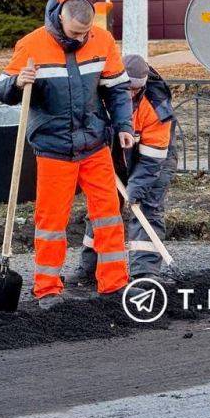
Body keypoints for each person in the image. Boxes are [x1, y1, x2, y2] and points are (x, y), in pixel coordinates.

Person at [0, 0, 136, 310]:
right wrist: (18, 82)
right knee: (51, 222)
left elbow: (116, 89)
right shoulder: (32, 45)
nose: (82, 38)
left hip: (94, 144)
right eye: (75, 33)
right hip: (54, 147)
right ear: (60, 18)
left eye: (86, 33)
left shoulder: (102, 40)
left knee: (108, 215)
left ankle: (114, 283)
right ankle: (47, 289)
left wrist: (125, 126)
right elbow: (1, 90)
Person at [69, 54, 178, 284]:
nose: (129, 95)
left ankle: (145, 272)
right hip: (112, 154)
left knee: (147, 206)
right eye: (126, 88)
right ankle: (91, 268)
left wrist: (135, 189)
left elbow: (151, 161)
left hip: (153, 159)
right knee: (103, 206)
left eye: (135, 90)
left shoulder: (155, 108)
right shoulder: (100, 94)